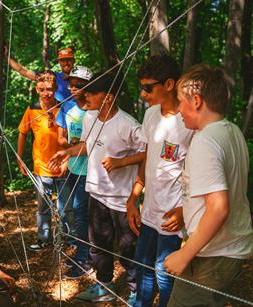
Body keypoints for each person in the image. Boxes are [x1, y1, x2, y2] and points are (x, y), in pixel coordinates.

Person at [49, 71, 145, 304]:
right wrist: (67, 152)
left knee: (127, 247)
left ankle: (136, 292)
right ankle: (104, 286)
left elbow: (147, 153)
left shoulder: (127, 124)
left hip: (122, 198)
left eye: (92, 92)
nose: (86, 96)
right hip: (96, 193)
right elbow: (87, 145)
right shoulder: (89, 117)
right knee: (98, 244)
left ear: (108, 97)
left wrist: (120, 162)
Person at [164, 64, 253, 306]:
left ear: (196, 101)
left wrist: (185, 254)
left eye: (181, 101)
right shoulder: (231, 131)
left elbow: (218, 207)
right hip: (228, 250)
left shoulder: (205, 141)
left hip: (213, 256)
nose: (179, 109)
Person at [126, 54, 194, 307]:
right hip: (149, 209)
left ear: (168, 84)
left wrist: (185, 210)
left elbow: (196, 172)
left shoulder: (189, 122)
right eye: (141, 87)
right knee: (141, 264)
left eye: (147, 87)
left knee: (163, 272)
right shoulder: (151, 114)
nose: (143, 94)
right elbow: (148, 157)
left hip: (172, 214)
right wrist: (134, 197)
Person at [17, 70, 67, 252]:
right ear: (37, 90)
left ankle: (67, 239)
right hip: (42, 166)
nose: (46, 93)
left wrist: (67, 159)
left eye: (49, 89)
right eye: (41, 89)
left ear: (55, 88)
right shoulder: (32, 109)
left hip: (63, 166)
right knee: (43, 207)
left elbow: (70, 135)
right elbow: (22, 133)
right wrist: (19, 158)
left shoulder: (63, 107)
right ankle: (43, 239)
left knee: (65, 207)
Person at [54, 65, 93, 278]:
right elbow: (61, 137)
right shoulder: (66, 108)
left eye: (77, 85)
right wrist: (70, 145)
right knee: (78, 214)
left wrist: (83, 145)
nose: (72, 88)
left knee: (83, 214)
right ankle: (83, 254)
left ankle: (86, 257)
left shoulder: (95, 108)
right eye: (70, 84)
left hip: (93, 171)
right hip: (73, 168)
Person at [7, 47, 75, 101]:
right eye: (62, 60)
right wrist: (7, 56)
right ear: (59, 62)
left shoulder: (81, 77)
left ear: (73, 60)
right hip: (57, 115)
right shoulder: (51, 77)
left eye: (68, 59)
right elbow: (23, 71)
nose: (66, 63)